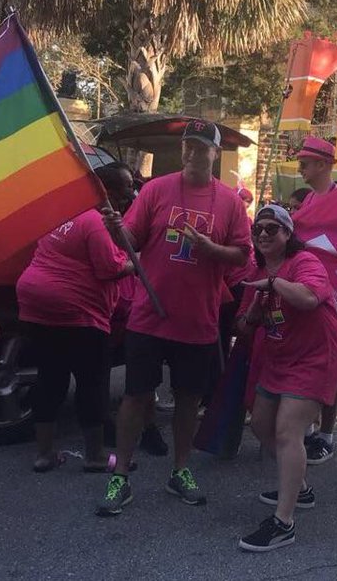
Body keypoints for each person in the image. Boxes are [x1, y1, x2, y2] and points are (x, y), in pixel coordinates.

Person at [96, 119, 251, 516]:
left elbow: (242, 256)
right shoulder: (156, 189)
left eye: (201, 147)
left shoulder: (231, 203)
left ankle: (179, 471)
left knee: (187, 400)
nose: (193, 153)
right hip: (150, 314)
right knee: (136, 396)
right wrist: (116, 231)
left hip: (197, 318)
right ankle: (121, 473)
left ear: (215, 154)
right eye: (188, 146)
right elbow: (133, 240)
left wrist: (211, 249)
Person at [235, 205, 337, 552]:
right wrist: (253, 312)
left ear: (288, 234)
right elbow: (241, 327)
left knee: (288, 431)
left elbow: (310, 299)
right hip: (279, 356)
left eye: (272, 228)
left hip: (315, 355)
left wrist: (273, 283)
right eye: (258, 230)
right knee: (261, 426)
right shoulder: (256, 272)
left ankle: (284, 523)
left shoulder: (304, 263)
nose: (264, 234)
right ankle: (300, 488)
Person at [19, 163, 135, 472]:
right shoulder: (93, 222)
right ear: (106, 190)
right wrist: (134, 264)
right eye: (125, 186)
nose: (131, 191)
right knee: (91, 383)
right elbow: (109, 268)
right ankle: (95, 456)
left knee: (50, 379)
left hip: (35, 304)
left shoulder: (64, 213)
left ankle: (44, 455)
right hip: (77, 311)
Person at [293, 135, 337, 464]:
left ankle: (326, 433)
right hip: (306, 287)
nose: (301, 168)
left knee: (333, 367)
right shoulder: (308, 200)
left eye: (305, 163)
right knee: (307, 360)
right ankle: (307, 428)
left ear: (323, 165)